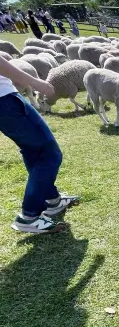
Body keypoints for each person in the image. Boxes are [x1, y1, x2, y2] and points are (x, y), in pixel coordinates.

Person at [0, 55, 79, 233]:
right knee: (49, 154)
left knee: (33, 151)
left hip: (4, 100)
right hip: (4, 100)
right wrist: (36, 83)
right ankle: (29, 216)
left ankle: (52, 200)